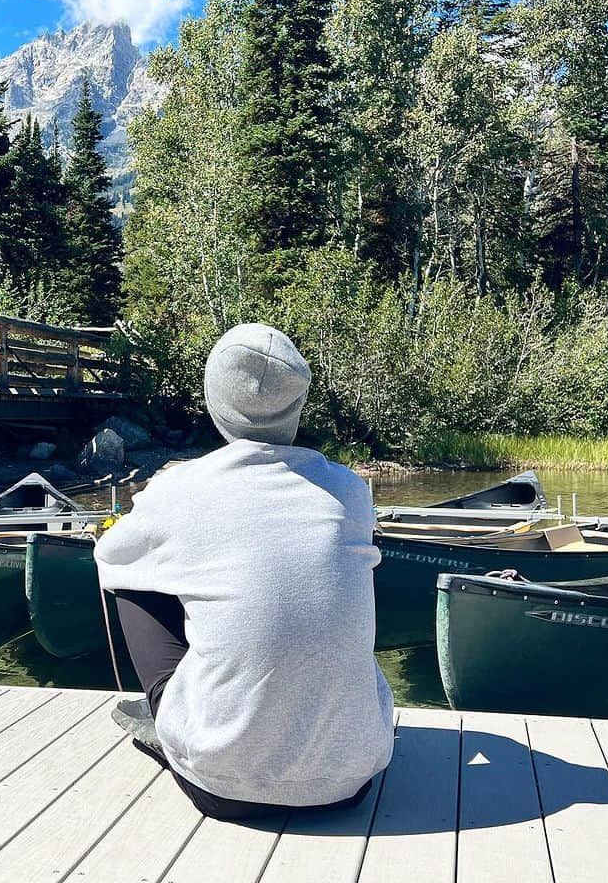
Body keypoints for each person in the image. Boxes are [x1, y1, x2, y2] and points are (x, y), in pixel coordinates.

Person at [93, 323, 394, 821]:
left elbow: (110, 557)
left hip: (221, 784)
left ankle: (174, 716)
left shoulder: (182, 490)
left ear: (216, 402)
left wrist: (157, 497)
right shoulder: (350, 491)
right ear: (297, 406)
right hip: (353, 776)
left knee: (133, 576)